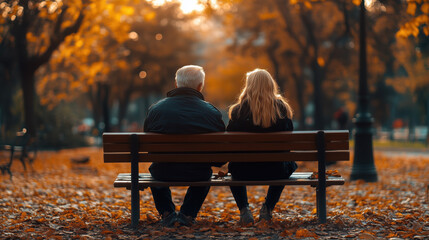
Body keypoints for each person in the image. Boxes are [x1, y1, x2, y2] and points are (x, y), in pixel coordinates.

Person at [143, 65, 225, 227]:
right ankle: (187, 214)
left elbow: (149, 148)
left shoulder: (156, 110)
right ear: (200, 86)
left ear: (176, 84)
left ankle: (167, 212)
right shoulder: (211, 112)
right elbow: (220, 153)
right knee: (205, 173)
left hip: (163, 171)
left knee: (155, 169)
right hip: (197, 172)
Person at [226, 68, 297, 224]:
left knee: (234, 163)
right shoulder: (282, 109)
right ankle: (267, 208)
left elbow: (230, 143)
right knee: (288, 163)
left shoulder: (237, 111)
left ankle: (244, 209)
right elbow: (288, 142)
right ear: (271, 85)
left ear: (248, 86)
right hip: (275, 171)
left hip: (243, 170)